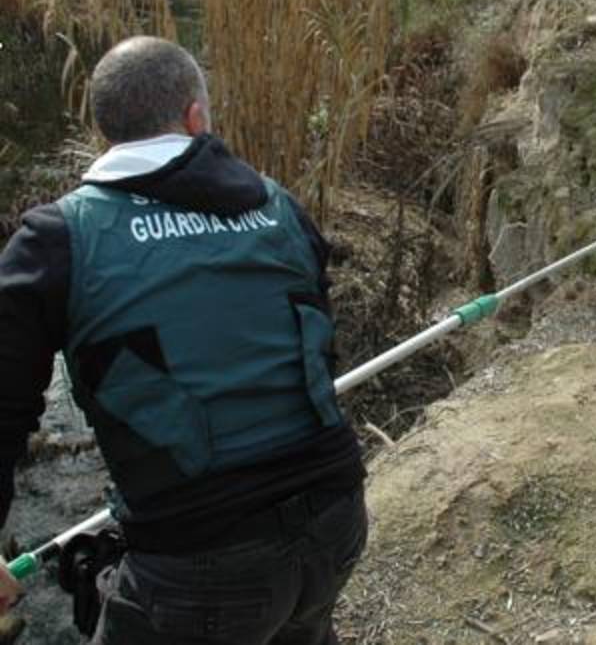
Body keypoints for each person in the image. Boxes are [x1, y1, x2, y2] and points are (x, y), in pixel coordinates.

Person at [0, 36, 367, 644]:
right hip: (337, 516)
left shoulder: (56, 240)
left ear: (104, 129)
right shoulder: (281, 207)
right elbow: (311, 348)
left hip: (198, 559)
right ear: (196, 116)